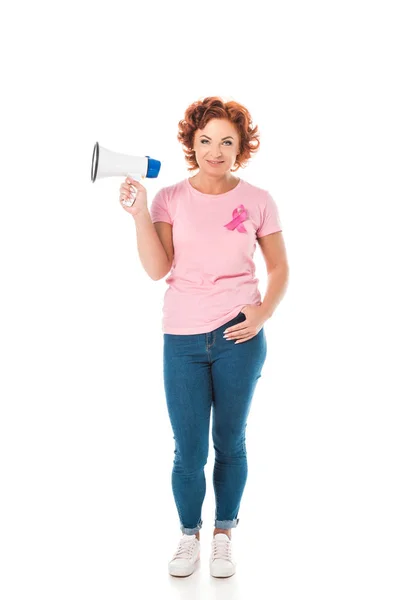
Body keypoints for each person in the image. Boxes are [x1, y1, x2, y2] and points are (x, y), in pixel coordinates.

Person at [119, 96, 289, 578]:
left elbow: (279, 266)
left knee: (230, 442)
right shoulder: (168, 198)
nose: (216, 150)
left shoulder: (258, 200)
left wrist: (261, 314)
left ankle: (223, 536)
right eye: (206, 140)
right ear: (192, 143)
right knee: (188, 449)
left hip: (240, 335)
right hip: (183, 340)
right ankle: (189, 535)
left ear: (242, 147)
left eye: (227, 141)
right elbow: (157, 269)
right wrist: (137, 217)